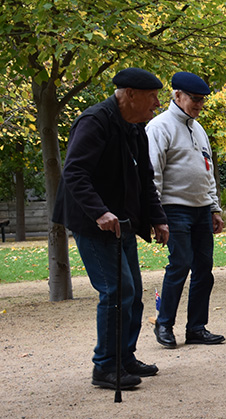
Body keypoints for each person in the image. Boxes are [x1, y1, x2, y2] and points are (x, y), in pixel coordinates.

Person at [52, 68, 169, 389]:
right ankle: (105, 366)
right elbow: (74, 172)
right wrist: (99, 211)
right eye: (152, 96)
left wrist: (158, 218)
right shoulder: (95, 121)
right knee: (117, 291)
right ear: (129, 94)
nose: (157, 103)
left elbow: (145, 178)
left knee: (133, 294)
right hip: (94, 223)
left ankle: (124, 357)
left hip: (123, 222)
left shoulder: (135, 127)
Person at [145, 72, 225, 349]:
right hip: (174, 208)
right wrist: (156, 216)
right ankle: (164, 324)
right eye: (195, 99)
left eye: (202, 100)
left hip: (201, 210)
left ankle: (197, 328)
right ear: (177, 95)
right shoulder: (159, 128)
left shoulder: (198, 129)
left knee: (204, 269)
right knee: (180, 265)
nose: (200, 105)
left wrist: (214, 208)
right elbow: (152, 174)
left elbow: (207, 170)